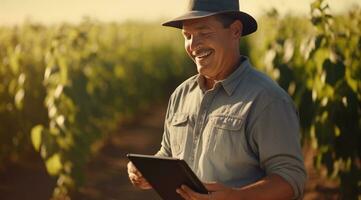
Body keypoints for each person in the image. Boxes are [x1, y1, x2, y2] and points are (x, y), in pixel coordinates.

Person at [127, 0, 307, 199]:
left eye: (204, 33)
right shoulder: (181, 94)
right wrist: (147, 170)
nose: (193, 45)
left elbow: (290, 178)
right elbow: (168, 153)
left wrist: (236, 197)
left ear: (235, 31)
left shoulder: (267, 100)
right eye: (187, 36)